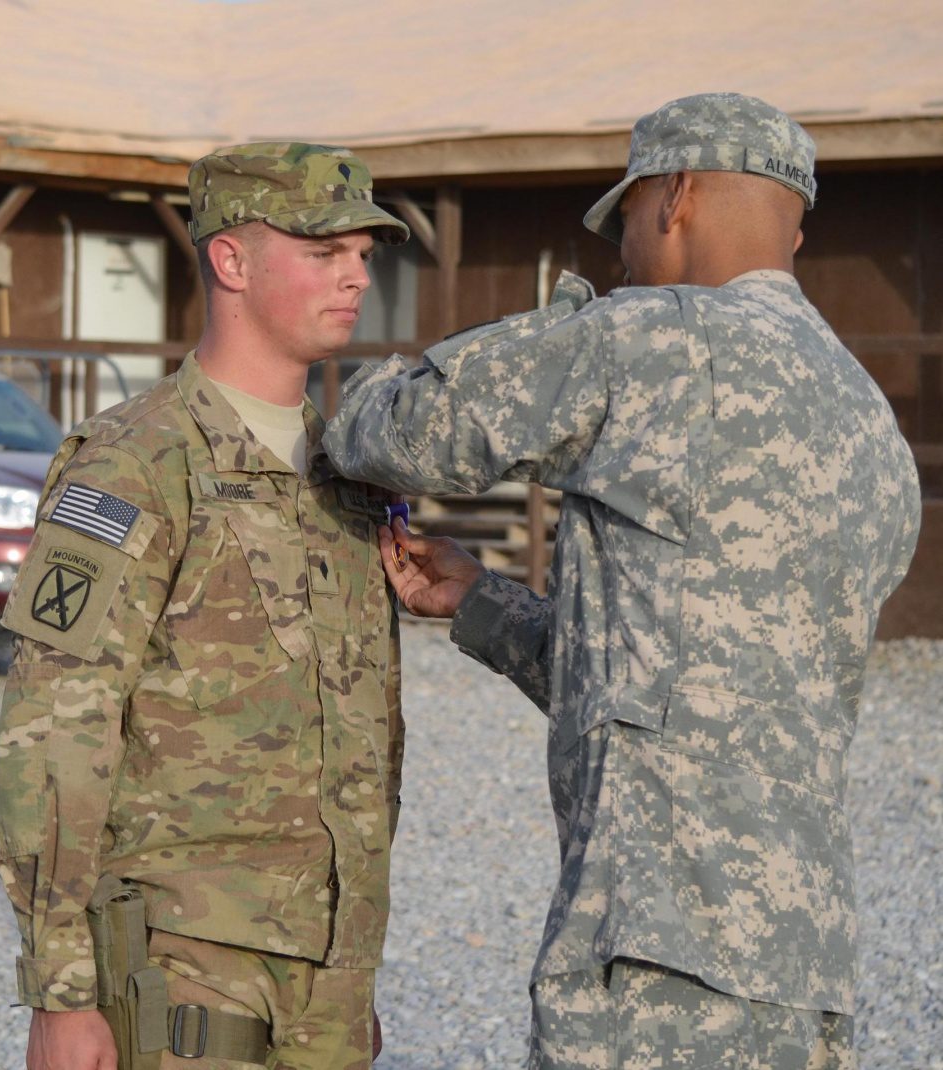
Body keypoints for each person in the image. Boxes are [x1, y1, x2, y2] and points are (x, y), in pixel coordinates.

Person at [321, 94, 922, 1069]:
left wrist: (339, 392)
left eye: (628, 218)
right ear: (795, 230)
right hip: (800, 967)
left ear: (674, 195)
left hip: (654, 948)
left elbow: (405, 430)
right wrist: (481, 603)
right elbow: (686, 680)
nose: (623, 255)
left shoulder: (649, 339)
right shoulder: (867, 420)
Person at [0, 142, 409, 1070]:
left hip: (328, 984)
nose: (355, 277)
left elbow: (361, 735)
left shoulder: (346, 472)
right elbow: (54, 732)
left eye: (362, 255)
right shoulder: (133, 465)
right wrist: (61, 991)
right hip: (183, 974)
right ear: (231, 260)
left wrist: (348, 980)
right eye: (323, 251)